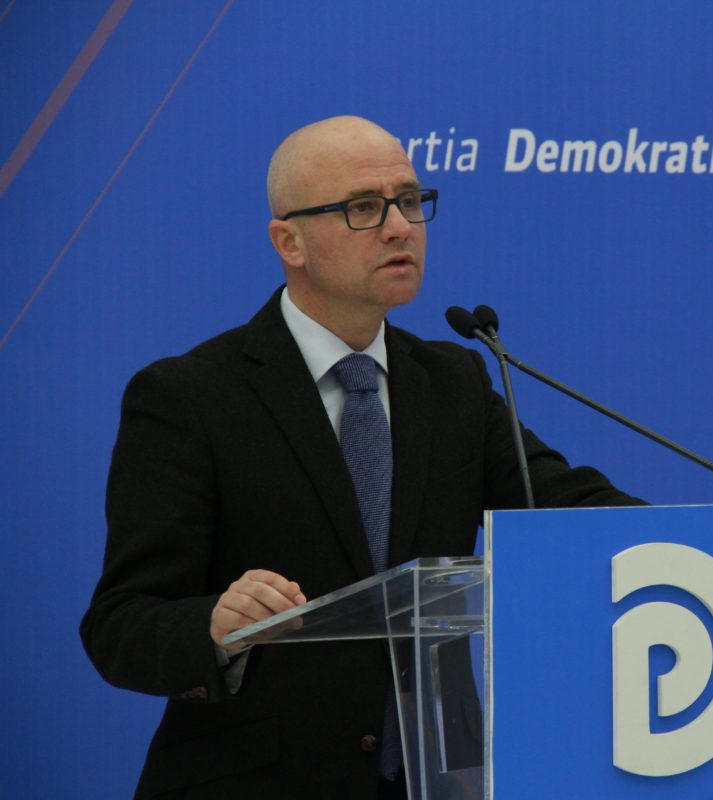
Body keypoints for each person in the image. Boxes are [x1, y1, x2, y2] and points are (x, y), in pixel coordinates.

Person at [80, 115, 640, 799]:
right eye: (364, 208)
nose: (401, 227)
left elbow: (567, 507)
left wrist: (700, 542)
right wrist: (216, 627)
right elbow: (121, 625)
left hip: (430, 781)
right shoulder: (190, 396)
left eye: (409, 200)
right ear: (289, 241)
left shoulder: (454, 382)